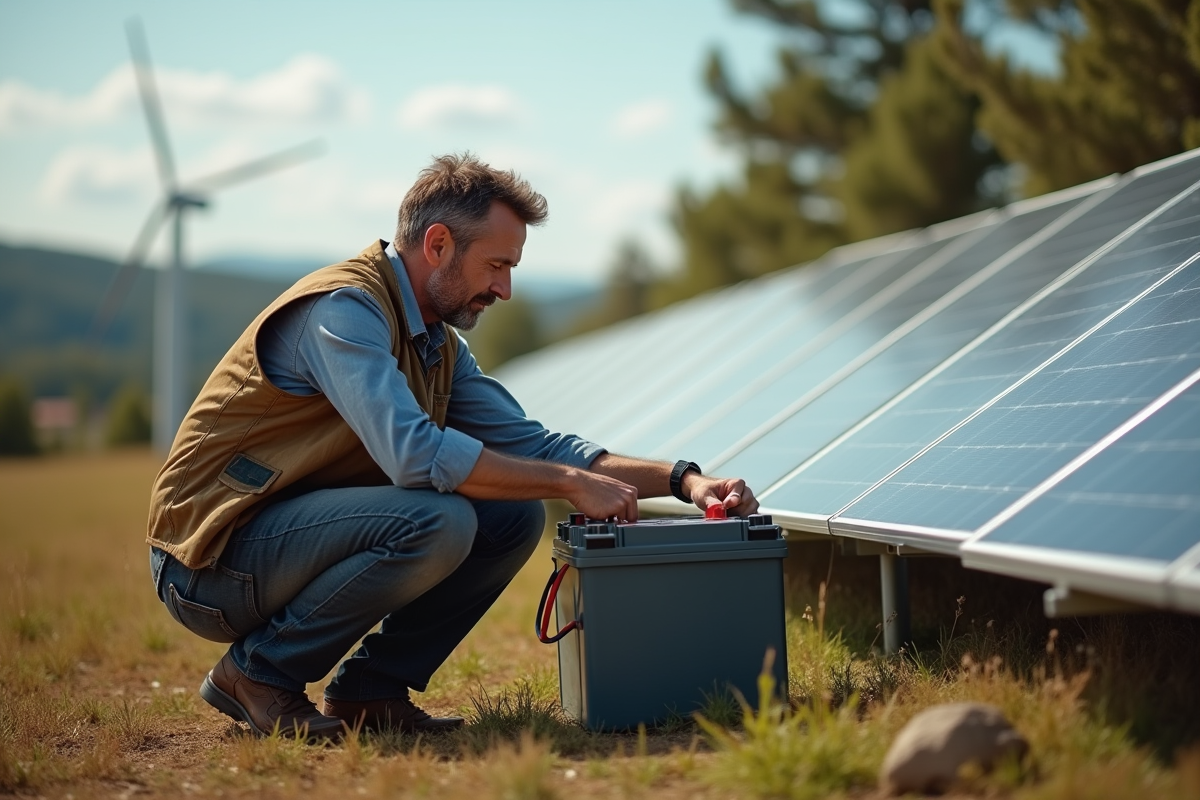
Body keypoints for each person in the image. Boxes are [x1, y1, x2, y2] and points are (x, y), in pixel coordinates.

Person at [146, 153, 759, 740]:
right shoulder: (343, 312)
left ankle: (372, 688)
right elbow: (415, 457)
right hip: (207, 562)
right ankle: (258, 673)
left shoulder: (436, 344)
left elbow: (537, 445)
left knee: (511, 516)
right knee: (438, 519)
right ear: (437, 244)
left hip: (286, 545)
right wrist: (568, 485)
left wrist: (685, 481)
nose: (507, 289)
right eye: (497, 265)